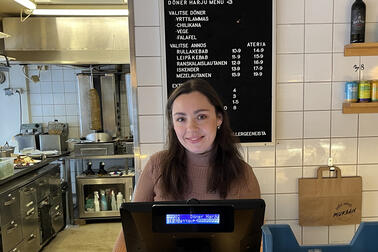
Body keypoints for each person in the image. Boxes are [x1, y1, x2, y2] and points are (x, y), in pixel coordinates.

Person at [113, 78, 261, 252]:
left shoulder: (243, 172)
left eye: (201, 116)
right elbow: (131, 230)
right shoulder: (156, 165)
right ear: (173, 124)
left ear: (219, 118)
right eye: (181, 119)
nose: (191, 128)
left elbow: (255, 239)